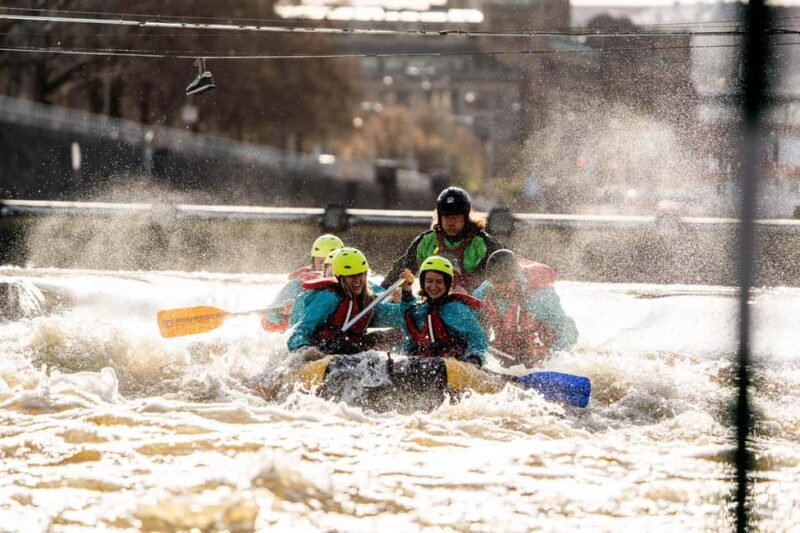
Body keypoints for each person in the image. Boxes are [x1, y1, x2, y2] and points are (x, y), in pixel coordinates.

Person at [288, 248, 415, 360]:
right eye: (351, 276)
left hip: (348, 352)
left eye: (360, 275)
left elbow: (404, 316)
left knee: (396, 335)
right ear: (340, 278)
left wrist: (407, 292)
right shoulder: (328, 298)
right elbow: (300, 330)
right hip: (320, 352)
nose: (357, 281)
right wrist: (303, 349)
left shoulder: (367, 304)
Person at [382, 187, 504, 293]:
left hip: (471, 304)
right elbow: (400, 273)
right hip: (432, 303)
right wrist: (384, 290)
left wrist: (468, 291)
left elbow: (503, 277)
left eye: (455, 216)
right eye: (446, 216)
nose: (450, 221)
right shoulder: (425, 242)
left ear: (466, 216)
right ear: (439, 217)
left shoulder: (485, 244)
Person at [473, 249, 578, 367]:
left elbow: (568, 330)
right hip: (508, 352)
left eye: (507, 280)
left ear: (516, 277)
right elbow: (469, 322)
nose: (502, 286)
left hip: (540, 354)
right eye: (497, 282)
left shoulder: (539, 296)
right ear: (490, 280)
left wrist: (553, 358)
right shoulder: (483, 293)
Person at [400, 256, 487, 367]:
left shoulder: (456, 309)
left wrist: (475, 359)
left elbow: (478, 339)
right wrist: (406, 292)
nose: (433, 286)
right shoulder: (420, 310)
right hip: (426, 364)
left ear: (447, 284)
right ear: (422, 282)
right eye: (429, 281)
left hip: (453, 365)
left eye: (439, 282)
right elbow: (406, 315)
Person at [261, 234, 343, 332]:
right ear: (313, 262)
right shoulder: (299, 283)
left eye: (330, 262)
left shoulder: (353, 282)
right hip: (306, 331)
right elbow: (268, 320)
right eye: (320, 261)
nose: (325, 266)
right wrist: (282, 315)